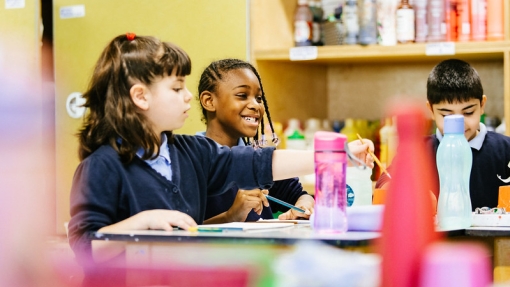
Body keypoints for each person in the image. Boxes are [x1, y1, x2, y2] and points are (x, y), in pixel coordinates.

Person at [68, 33, 375, 269]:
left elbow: (258, 163)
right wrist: (141, 223)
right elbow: (85, 247)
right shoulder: (102, 165)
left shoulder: (194, 152)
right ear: (140, 97)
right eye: (176, 89)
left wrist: (337, 155)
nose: (188, 96)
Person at [376, 59, 510, 210]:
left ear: (482, 105)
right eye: (446, 115)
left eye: (468, 112)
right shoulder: (418, 149)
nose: (458, 123)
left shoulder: (505, 149)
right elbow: (385, 183)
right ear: (431, 110)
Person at [197, 58, 314, 223]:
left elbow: (300, 196)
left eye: (259, 98)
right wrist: (231, 216)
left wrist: (303, 207)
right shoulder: (190, 160)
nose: (256, 105)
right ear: (209, 101)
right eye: (242, 96)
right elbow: (179, 232)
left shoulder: (257, 160)